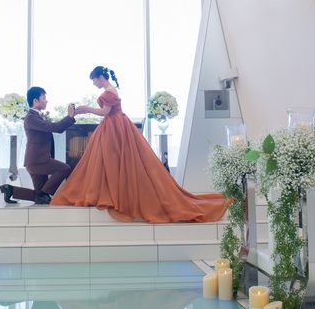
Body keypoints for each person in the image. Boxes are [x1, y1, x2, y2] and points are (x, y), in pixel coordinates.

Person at [51, 66, 232, 223]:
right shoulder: (110, 90)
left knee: (111, 161)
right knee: (112, 161)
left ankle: (115, 195)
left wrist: (86, 109)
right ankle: (114, 193)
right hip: (116, 126)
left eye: (94, 80)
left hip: (114, 127)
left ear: (100, 77)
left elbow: (105, 112)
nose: (93, 84)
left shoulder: (108, 92)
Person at [0, 86, 76, 205]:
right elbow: (56, 128)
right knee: (64, 168)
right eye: (44, 98)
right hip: (38, 161)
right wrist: (70, 117)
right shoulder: (31, 118)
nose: (46, 101)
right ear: (35, 101)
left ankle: (10, 190)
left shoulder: (36, 117)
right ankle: (43, 194)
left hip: (36, 161)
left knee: (39, 196)